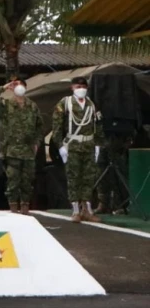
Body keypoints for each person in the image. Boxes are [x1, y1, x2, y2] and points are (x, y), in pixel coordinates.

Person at [0, 77, 44, 214]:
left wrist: (37, 142)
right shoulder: (6, 105)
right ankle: (13, 209)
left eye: (21, 84)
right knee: (13, 181)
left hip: (28, 150)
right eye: (16, 84)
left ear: (25, 87)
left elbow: (39, 126)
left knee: (27, 181)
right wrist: (4, 87)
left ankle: (25, 208)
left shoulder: (32, 106)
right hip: (12, 151)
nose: (19, 86)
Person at [51, 76, 105, 223]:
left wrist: (98, 145)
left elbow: (98, 126)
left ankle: (87, 210)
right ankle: (75, 210)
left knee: (88, 178)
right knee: (73, 178)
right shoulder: (65, 103)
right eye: (77, 87)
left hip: (89, 145)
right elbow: (57, 126)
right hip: (73, 146)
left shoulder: (92, 105)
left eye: (83, 87)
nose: (81, 89)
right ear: (72, 88)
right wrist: (60, 146)